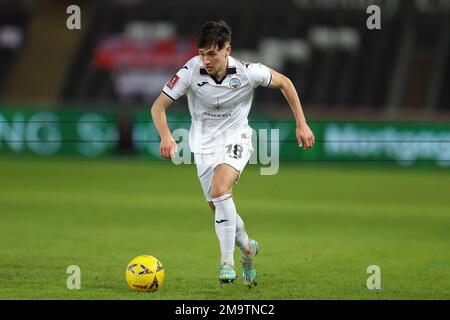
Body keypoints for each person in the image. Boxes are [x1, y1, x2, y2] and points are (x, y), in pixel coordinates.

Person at [151, 20, 315, 287]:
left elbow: (285, 83)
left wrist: (301, 123)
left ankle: (226, 263)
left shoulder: (249, 72)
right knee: (218, 206)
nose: (205, 60)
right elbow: (158, 107)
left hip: (236, 138)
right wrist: (167, 136)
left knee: (219, 190)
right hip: (203, 146)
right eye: (202, 53)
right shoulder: (190, 71)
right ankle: (248, 250)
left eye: (212, 53)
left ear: (228, 49)